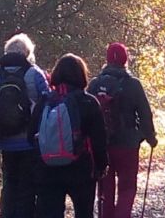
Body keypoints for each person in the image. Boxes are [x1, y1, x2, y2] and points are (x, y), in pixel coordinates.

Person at [0, 34, 50, 218]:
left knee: (9, 184)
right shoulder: (35, 74)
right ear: (28, 53)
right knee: (27, 186)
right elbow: (48, 102)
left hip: (5, 139)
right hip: (30, 140)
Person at [35, 54, 110, 218]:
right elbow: (99, 138)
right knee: (84, 213)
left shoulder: (44, 102)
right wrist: (101, 165)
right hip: (81, 170)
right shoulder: (89, 102)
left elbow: (31, 136)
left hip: (48, 170)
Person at [91, 43, 156, 218]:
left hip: (102, 145)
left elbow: (87, 114)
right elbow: (145, 114)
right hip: (127, 144)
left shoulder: (95, 84)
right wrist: (150, 138)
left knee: (105, 189)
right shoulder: (133, 84)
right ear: (125, 60)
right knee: (127, 187)